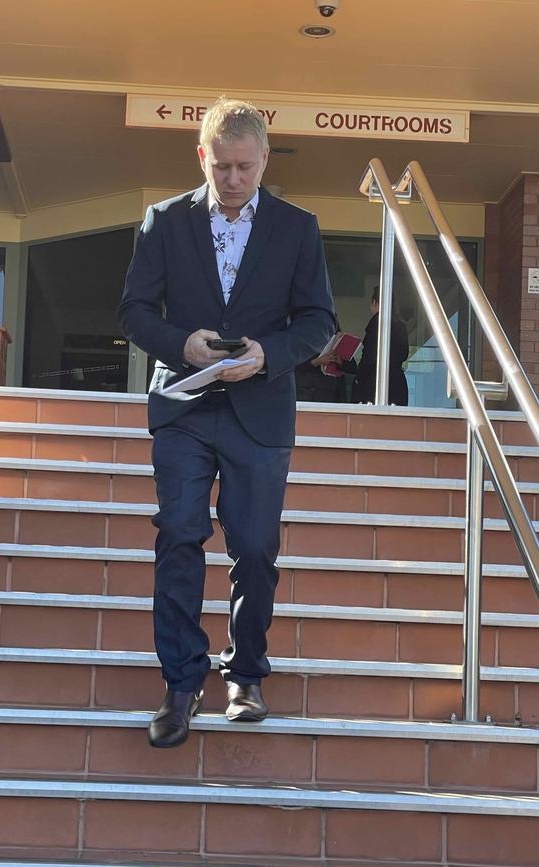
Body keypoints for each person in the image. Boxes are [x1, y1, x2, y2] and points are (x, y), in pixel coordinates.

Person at [118, 97, 335, 748]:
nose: (234, 179)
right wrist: (180, 342)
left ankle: (245, 674)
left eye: (245, 166)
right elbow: (133, 312)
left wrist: (271, 355)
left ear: (264, 159)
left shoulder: (298, 229)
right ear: (202, 157)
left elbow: (320, 322)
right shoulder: (162, 222)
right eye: (222, 166)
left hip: (259, 411)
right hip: (184, 407)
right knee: (180, 536)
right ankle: (181, 684)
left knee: (255, 546)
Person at [342, 285, 409, 405]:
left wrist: (359, 381)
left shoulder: (376, 324)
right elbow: (404, 354)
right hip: (398, 386)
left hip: (374, 386)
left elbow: (369, 358)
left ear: (375, 303)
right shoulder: (400, 326)